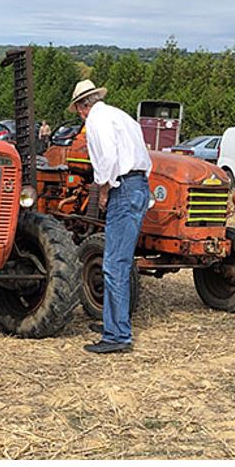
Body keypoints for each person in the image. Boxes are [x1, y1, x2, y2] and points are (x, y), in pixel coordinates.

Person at [68, 79, 152, 354]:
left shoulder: (95, 122)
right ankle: (113, 323)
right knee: (120, 260)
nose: (81, 115)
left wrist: (103, 191)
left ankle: (118, 335)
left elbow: (106, 161)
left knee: (114, 263)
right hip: (139, 185)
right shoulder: (122, 117)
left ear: (82, 106)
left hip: (124, 188)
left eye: (79, 110)